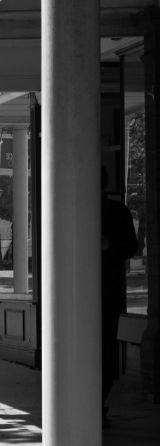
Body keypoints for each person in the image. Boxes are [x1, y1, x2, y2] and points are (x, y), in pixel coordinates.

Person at [101, 169, 138, 424]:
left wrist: (108, 246)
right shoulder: (71, 210)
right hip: (74, 296)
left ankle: (99, 402)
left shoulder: (117, 212)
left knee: (105, 349)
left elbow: (131, 247)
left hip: (107, 292)